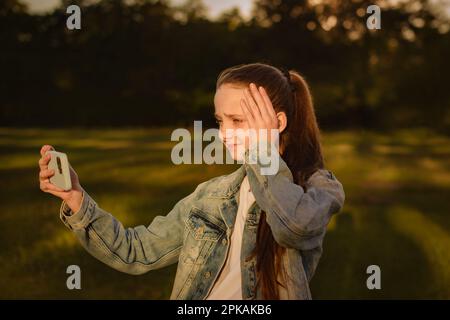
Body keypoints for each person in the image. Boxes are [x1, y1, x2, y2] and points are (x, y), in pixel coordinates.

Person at [38, 62, 345, 300]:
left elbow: (294, 227)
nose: (224, 133)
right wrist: (76, 200)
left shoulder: (317, 189)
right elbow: (137, 251)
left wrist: (264, 153)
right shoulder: (211, 196)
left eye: (237, 120)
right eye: (220, 121)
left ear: (277, 123)